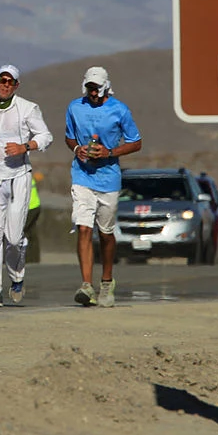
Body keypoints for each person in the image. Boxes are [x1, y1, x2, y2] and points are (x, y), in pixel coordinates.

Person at [0, 64, 52, 306]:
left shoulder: (27, 109)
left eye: (10, 82)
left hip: (18, 177)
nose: (5, 85)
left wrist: (24, 147)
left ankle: (17, 277)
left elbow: (45, 136)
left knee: (13, 238)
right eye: (2, 80)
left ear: (16, 85)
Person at [64, 66, 142, 308]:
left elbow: (136, 142)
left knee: (106, 234)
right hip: (82, 176)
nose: (93, 93)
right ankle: (86, 285)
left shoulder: (119, 110)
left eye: (97, 88)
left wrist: (110, 152)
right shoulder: (75, 107)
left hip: (108, 179)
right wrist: (78, 149)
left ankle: (106, 280)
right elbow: (69, 136)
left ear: (106, 87)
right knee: (83, 227)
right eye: (89, 88)